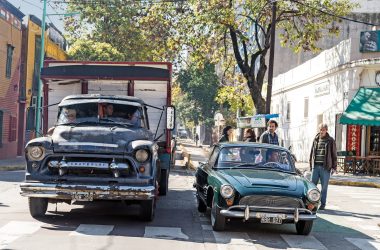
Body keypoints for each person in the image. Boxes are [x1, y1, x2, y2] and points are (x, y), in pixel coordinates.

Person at [309, 123, 337, 210]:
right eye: (320, 129)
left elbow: (334, 154)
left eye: (323, 130)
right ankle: (311, 204)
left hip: (325, 168)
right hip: (316, 167)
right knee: (312, 186)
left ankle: (323, 204)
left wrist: (334, 167)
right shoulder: (315, 139)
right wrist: (311, 165)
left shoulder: (330, 140)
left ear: (326, 130)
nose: (321, 131)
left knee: (324, 187)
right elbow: (312, 153)